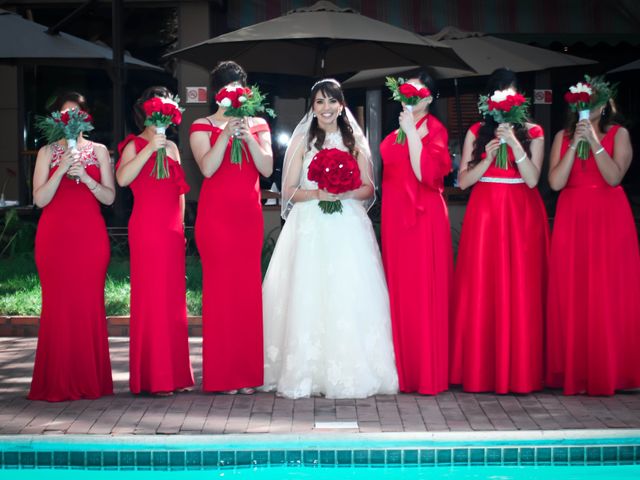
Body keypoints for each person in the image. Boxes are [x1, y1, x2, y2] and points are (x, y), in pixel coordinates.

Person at [261, 78, 398, 399]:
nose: (326, 108)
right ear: (312, 106)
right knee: (308, 292)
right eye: (319, 102)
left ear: (341, 105)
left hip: (347, 223)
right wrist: (318, 192)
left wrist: (343, 190)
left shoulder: (354, 142)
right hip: (309, 223)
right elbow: (290, 189)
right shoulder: (303, 142)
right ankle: (305, 370)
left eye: (332, 101)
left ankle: (350, 367)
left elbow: (369, 188)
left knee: (347, 292)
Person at [450, 68, 549, 394]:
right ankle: (480, 369)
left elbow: (534, 179)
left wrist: (515, 146)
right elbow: (462, 181)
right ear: (489, 100)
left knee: (519, 288)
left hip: (520, 213)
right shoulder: (477, 132)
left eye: (511, 92)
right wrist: (487, 158)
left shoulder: (534, 131)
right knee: (482, 285)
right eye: (499, 92)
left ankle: (520, 370)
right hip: (485, 213)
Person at [546, 79, 640, 395]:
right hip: (572, 217)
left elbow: (614, 176)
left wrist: (596, 143)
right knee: (573, 291)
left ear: (605, 106)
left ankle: (613, 369)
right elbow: (556, 183)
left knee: (608, 290)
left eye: (596, 103)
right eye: (584, 104)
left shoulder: (620, 134)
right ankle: (577, 369)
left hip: (609, 218)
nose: (590, 109)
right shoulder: (562, 136)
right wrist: (575, 143)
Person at [189, 61, 273, 394]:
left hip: (247, 219)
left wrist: (248, 136)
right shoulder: (201, 125)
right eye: (230, 87)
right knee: (221, 295)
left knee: (246, 295)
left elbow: (266, 168)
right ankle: (224, 376)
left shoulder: (259, 124)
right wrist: (225, 133)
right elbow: (207, 169)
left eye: (240, 86)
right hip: (216, 220)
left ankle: (247, 374)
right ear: (218, 94)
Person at [29, 92, 114, 401]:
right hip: (54, 240)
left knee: (88, 306)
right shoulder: (46, 153)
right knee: (59, 308)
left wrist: (88, 180)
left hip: (90, 239)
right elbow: (39, 199)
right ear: (57, 120)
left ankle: (90, 381)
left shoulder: (100, 151)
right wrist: (62, 168)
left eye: (75, 114)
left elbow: (109, 198)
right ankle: (58, 380)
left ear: (85, 117)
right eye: (65, 115)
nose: (71, 120)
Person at [116, 86, 194, 396]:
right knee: (151, 297)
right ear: (145, 112)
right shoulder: (133, 145)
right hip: (146, 227)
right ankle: (152, 376)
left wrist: (182, 227)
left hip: (172, 228)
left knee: (173, 300)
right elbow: (122, 179)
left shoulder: (174, 149)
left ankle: (175, 374)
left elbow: (180, 191)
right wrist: (150, 148)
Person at [379, 72, 452, 395]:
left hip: (423, 220)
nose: (412, 96)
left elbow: (426, 174)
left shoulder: (435, 130)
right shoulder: (396, 131)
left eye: (419, 91)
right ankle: (402, 371)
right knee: (399, 293)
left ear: (429, 98)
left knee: (422, 293)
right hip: (395, 220)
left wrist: (411, 133)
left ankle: (425, 373)